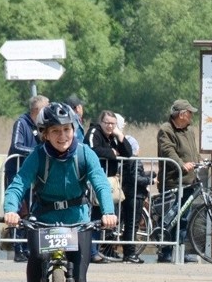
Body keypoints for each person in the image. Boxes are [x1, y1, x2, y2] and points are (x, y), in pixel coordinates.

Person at [3, 102, 117, 282]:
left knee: (79, 280)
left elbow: (100, 182)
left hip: (78, 221)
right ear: (44, 133)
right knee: (35, 256)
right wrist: (10, 209)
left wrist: (109, 212)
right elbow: (19, 183)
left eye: (67, 130)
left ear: (74, 129)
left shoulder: (85, 155)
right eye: (55, 131)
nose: (62, 136)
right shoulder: (38, 156)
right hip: (44, 219)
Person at [157, 99, 203, 264]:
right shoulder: (166, 129)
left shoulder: (189, 130)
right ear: (182, 114)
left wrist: (200, 161)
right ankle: (165, 251)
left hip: (188, 181)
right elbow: (168, 150)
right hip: (173, 181)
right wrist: (181, 165)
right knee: (171, 217)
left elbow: (192, 152)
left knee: (184, 218)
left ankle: (181, 251)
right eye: (190, 113)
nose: (192, 116)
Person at [85, 110, 132, 262]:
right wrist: (111, 152)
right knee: (92, 215)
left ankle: (95, 251)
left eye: (113, 123)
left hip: (108, 183)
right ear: (101, 122)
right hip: (92, 181)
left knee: (100, 217)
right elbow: (91, 149)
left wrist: (120, 136)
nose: (110, 126)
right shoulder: (94, 132)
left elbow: (128, 152)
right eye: (107, 123)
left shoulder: (113, 136)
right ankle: (91, 252)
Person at [5, 95, 47, 262]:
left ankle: (28, 246)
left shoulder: (43, 126)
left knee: (30, 210)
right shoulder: (21, 123)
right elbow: (16, 145)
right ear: (37, 110)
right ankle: (17, 247)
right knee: (17, 209)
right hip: (17, 171)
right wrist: (36, 153)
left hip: (33, 174)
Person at [121, 133, 154, 263]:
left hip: (130, 194)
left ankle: (128, 253)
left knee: (130, 225)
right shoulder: (134, 160)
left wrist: (150, 174)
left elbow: (134, 175)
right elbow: (136, 178)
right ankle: (130, 254)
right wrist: (150, 180)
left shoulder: (128, 160)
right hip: (135, 195)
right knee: (132, 226)